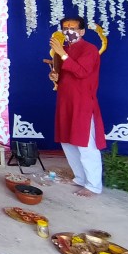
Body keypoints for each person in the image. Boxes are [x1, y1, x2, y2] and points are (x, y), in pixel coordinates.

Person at [49, 15, 106, 197]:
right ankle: (80, 178)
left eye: (73, 28)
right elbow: (64, 74)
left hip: (82, 102)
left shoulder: (89, 50)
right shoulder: (64, 50)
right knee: (67, 141)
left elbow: (81, 72)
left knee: (85, 143)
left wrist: (63, 54)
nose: (68, 31)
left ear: (82, 31)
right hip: (66, 100)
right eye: (65, 28)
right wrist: (55, 77)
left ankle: (94, 185)